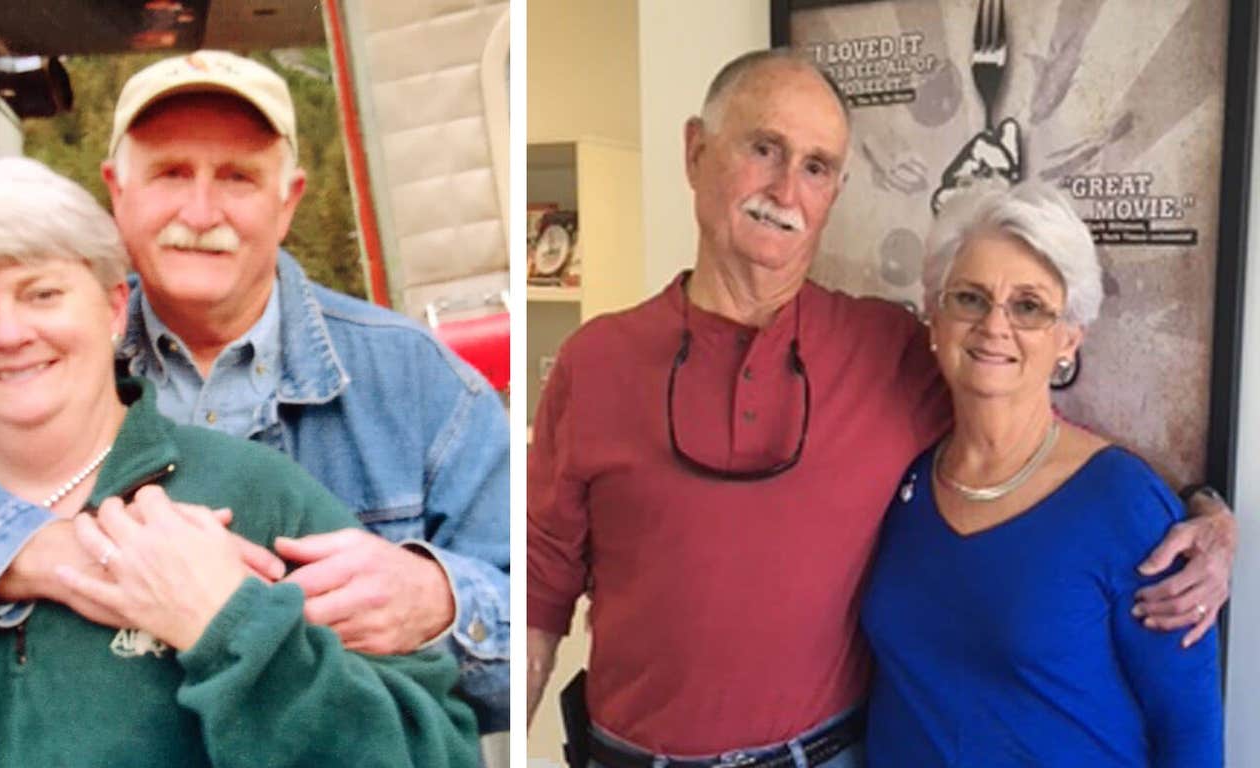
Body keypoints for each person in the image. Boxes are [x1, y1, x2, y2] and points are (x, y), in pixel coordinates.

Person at [526, 49, 1235, 767]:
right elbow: (537, 583)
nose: (785, 188)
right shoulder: (596, 361)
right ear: (695, 151)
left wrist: (1206, 515)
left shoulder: (883, 350)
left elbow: (1052, 452)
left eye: (815, 166)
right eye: (763, 148)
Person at [0, 50, 509, 731]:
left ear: (288, 200)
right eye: (170, 174)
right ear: (117, 191)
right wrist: (36, 549)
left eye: (237, 177)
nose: (201, 211)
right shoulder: (33, 371)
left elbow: (532, 626)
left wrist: (444, 601)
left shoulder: (416, 379)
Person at [861, 181, 1221, 766]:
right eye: (970, 298)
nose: (994, 326)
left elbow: (1190, 736)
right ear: (933, 316)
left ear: (1069, 339)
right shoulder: (901, 484)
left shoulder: (1123, 503)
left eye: (1028, 306)